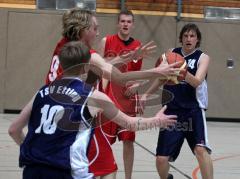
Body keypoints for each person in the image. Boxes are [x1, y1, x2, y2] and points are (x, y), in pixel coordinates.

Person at [8, 41, 177, 179]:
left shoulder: (42, 91)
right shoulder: (92, 96)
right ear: (86, 67)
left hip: (32, 171)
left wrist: (33, 153)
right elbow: (129, 123)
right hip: (66, 171)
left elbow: (14, 129)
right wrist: (158, 121)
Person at [44, 8, 181, 179]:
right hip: (75, 116)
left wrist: (131, 56)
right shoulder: (86, 54)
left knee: (91, 167)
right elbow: (119, 77)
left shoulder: (65, 45)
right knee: (107, 169)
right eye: (94, 28)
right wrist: (157, 72)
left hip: (49, 112)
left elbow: (103, 64)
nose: (97, 32)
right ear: (83, 30)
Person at [141, 23, 213, 179]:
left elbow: (197, 82)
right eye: (185, 36)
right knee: (161, 159)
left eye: (192, 36)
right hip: (171, 111)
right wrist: (146, 95)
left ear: (197, 39)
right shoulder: (170, 54)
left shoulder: (203, 57)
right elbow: (161, 78)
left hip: (193, 111)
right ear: (181, 38)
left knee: (201, 149)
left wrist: (181, 70)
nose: (188, 39)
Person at [97, 9, 143, 179]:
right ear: (118, 23)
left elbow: (138, 73)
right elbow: (99, 69)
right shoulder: (106, 41)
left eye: (128, 22)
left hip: (128, 100)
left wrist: (137, 85)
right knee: (104, 141)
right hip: (108, 97)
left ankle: (128, 177)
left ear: (133, 25)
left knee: (128, 141)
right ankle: (102, 172)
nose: (125, 24)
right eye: (122, 21)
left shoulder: (137, 46)